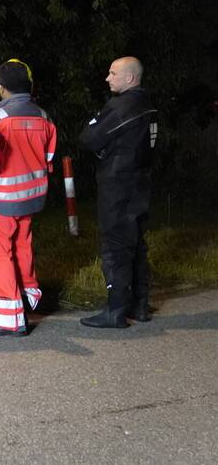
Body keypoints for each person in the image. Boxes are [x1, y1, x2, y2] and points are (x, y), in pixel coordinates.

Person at [0, 60, 57, 338]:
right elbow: (49, 158)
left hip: (3, 198)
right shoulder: (44, 117)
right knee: (23, 243)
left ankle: (9, 316)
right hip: (33, 196)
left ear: (0, 87)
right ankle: (27, 294)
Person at [78, 56, 157, 328]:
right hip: (140, 184)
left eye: (113, 73)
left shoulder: (121, 106)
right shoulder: (148, 104)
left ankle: (116, 310)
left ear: (130, 78)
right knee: (137, 244)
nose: (107, 78)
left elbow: (89, 138)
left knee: (115, 246)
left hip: (118, 185)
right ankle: (140, 305)